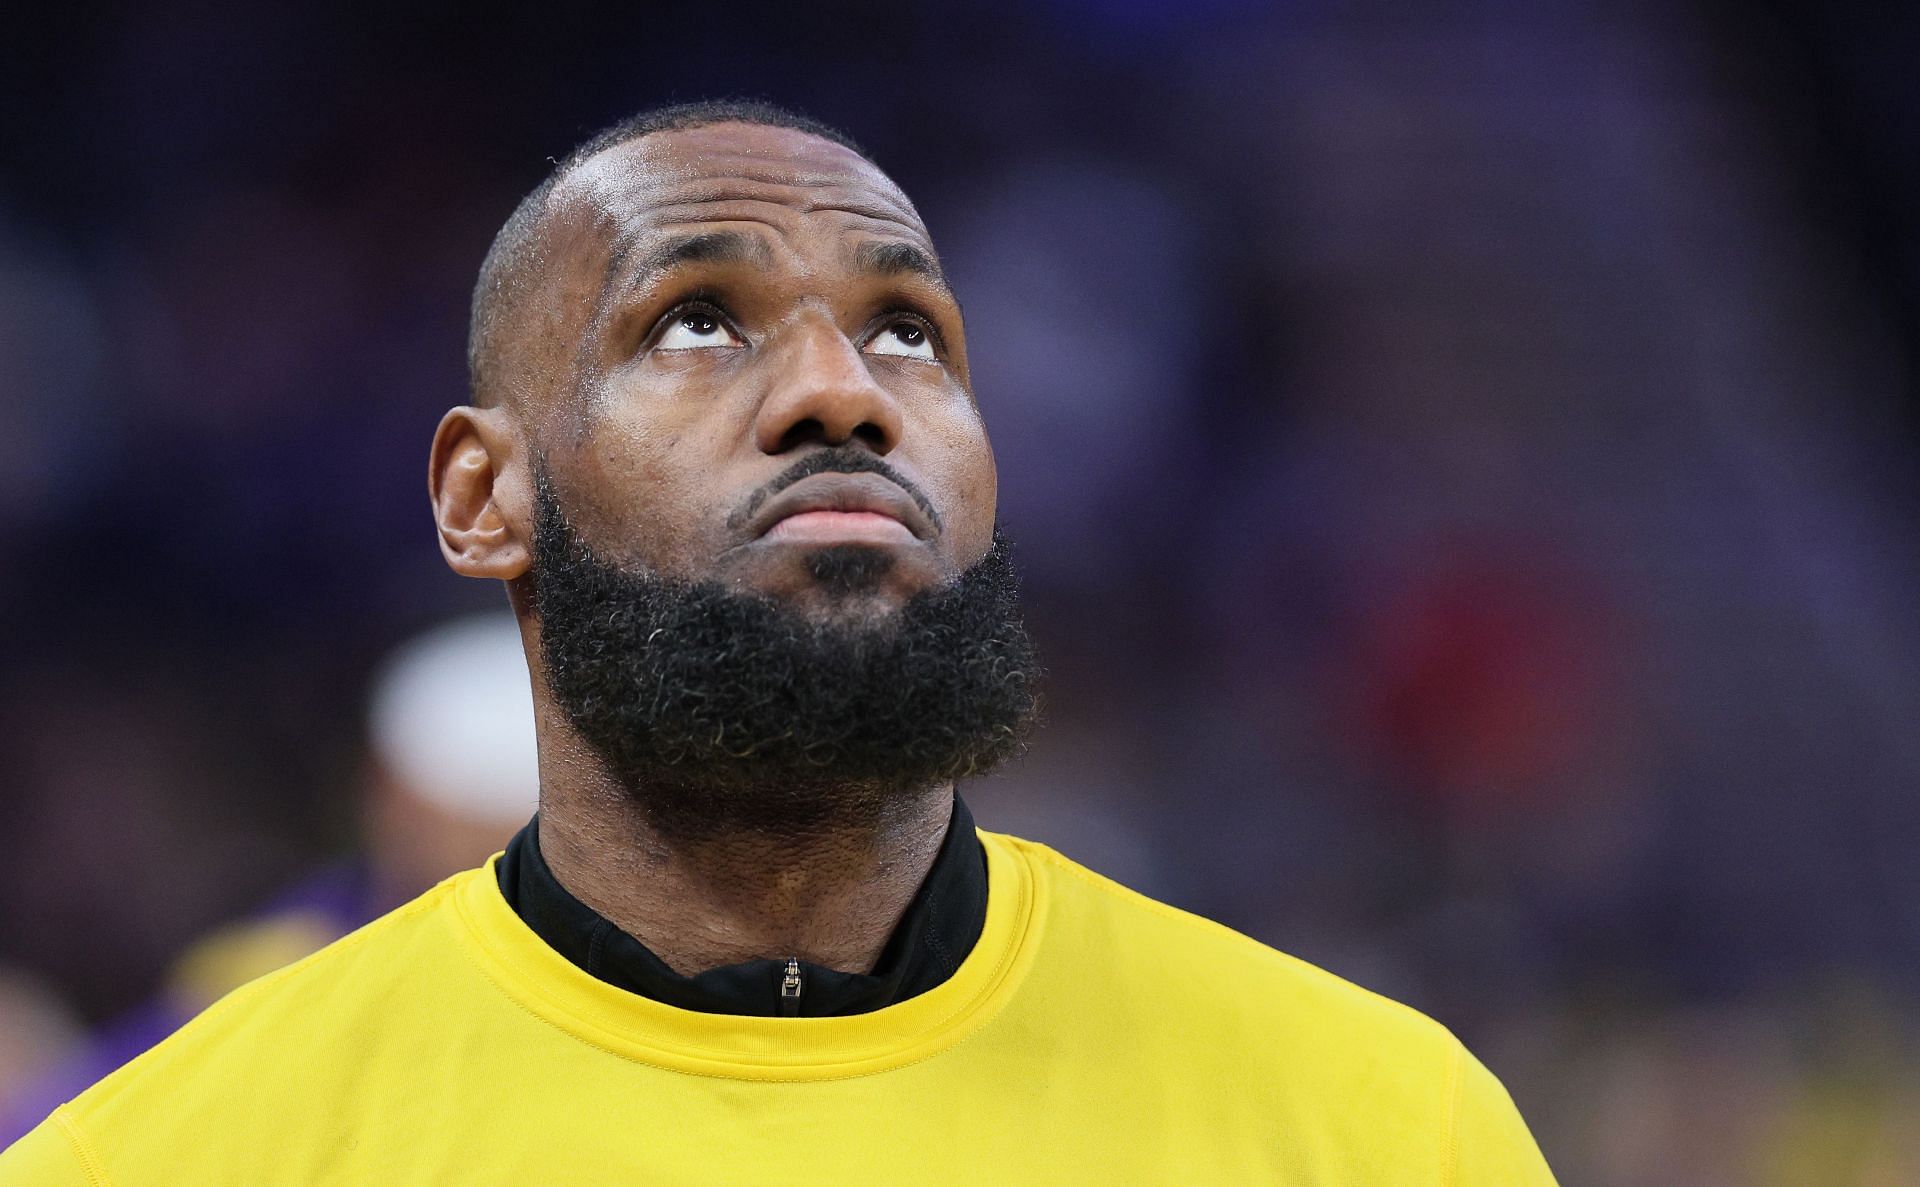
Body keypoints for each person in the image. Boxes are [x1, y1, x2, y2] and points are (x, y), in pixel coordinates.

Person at [0, 99, 1556, 1182]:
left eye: (908, 330)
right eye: (694, 317)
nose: (844, 387)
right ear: (485, 497)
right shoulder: (165, 1153)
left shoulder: (1381, 1125)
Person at [0, 612, 539, 1146]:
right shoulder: (281, 965)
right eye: (465, 827)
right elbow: (72, 1128)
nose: (484, 859)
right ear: (389, 796)